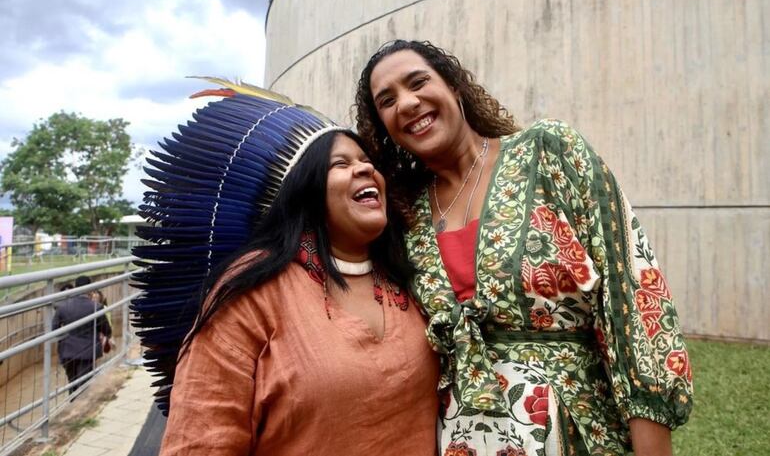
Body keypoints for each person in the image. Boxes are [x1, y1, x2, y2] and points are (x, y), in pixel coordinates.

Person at [354, 40, 693, 456]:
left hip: (574, 431)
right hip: (460, 438)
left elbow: (633, 298)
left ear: (454, 87)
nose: (407, 103)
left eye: (418, 82)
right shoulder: (406, 216)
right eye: (387, 101)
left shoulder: (546, 153)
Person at [131, 80, 440, 455]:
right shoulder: (252, 289)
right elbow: (201, 442)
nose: (365, 170)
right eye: (341, 164)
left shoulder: (407, 276)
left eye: (367, 162)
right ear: (305, 190)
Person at [53, 275, 112, 393]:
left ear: (76, 288)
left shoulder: (62, 307)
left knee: (72, 383)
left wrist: (66, 339)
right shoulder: (96, 307)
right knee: (84, 386)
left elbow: (54, 330)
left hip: (67, 351)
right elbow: (107, 330)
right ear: (90, 289)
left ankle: (72, 400)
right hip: (88, 351)